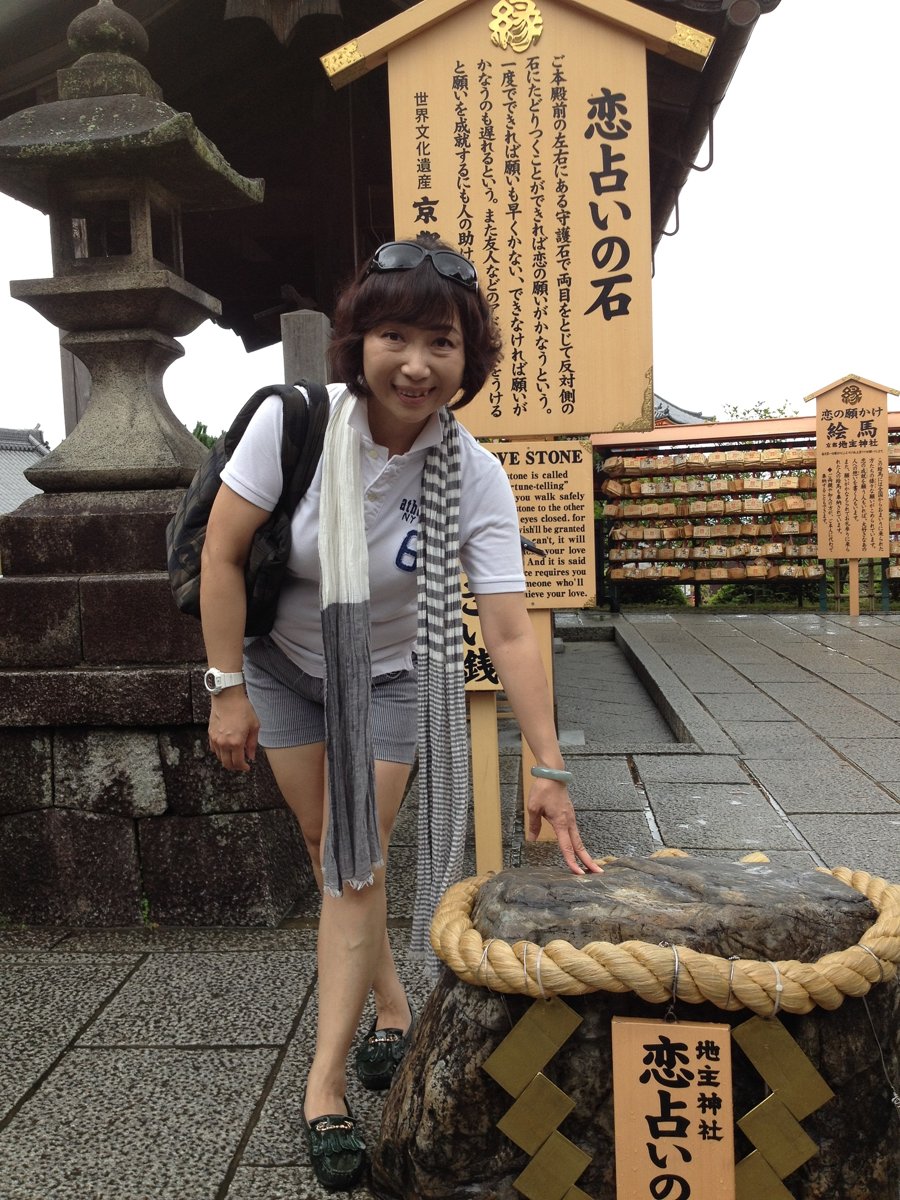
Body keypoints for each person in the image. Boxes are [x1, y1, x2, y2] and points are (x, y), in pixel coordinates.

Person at [200, 234, 601, 1191]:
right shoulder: (292, 424)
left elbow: (508, 629)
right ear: (358, 342)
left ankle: (324, 1086)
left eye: (442, 342)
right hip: (283, 667)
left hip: (388, 676)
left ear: (470, 359)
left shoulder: (476, 476)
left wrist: (546, 764)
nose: (417, 365)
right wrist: (225, 690)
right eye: (395, 337)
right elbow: (220, 558)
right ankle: (388, 1008)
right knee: (323, 844)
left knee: (354, 859)